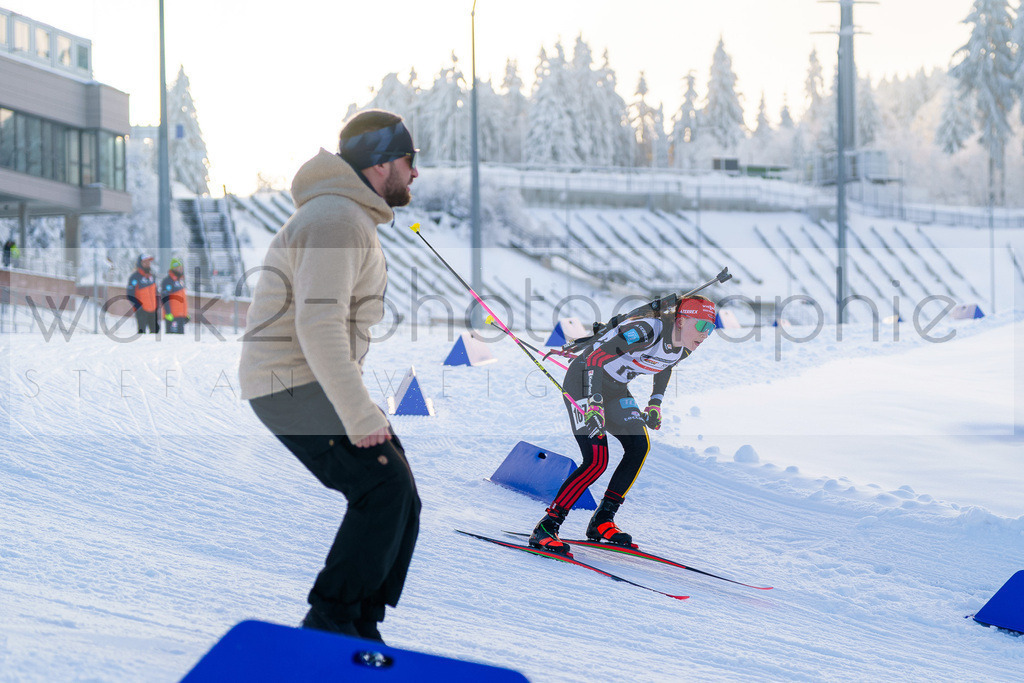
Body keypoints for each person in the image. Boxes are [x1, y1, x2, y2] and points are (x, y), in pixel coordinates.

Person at [239, 109, 421, 642]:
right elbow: (318, 324)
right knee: (383, 487)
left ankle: (359, 621)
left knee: (399, 493)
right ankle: (331, 622)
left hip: (301, 380)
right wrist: (359, 411)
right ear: (383, 161)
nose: (414, 174)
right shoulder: (336, 219)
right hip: (289, 382)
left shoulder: (346, 215)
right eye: (410, 161)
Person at [529, 296, 718, 555]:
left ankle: (602, 520)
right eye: (702, 326)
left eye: (711, 328)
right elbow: (595, 357)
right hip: (583, 380)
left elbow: (665, 366)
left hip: (615, 388)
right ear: (682, 320)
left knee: (638, 446)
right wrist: (594, 403)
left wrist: (655, 403)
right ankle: (547, 526)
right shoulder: (646, 330)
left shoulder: (684, 346)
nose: (705, 334)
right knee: (597, 460)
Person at [126, 253, 159, 334]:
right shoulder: (135, 277)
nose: (148, 264)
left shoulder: (152, 277)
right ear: (140, 263)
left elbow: (156, 293)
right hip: (142, 310)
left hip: (153, 310)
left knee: (155, 333)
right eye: (145, 262)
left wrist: (157, 305)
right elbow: (130, 294)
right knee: (142, 334)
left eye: (149, 262)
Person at [160, 257, 189, 334]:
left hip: (180, 316)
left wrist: (185, 314)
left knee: (180, 340)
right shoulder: (167, 281)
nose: (180, 270)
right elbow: (165, 298)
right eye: (178, 268)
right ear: (174, 268)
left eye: (181, 268)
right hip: (172, 316)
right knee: (173, 339)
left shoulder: (180, 282)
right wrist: (168, 313)